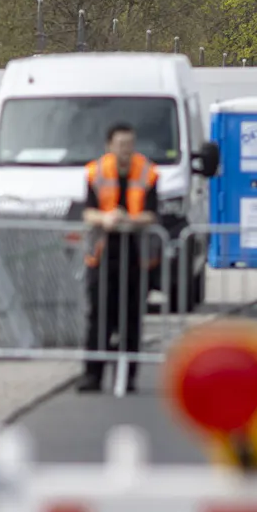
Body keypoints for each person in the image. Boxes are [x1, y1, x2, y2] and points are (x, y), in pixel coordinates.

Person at [79, 123, 160, 393]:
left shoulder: (147, 172)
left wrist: (130, 220)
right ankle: (92, 375)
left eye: (130, 144)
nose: (126, 150)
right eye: (121, 145)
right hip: (103, 255)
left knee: (131, 319)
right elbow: (87, 212)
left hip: (135, 256)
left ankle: (127, 377)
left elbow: (152, 214)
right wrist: (106, 218)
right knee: (99, 317)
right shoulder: (96, 172)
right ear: (109, 146)